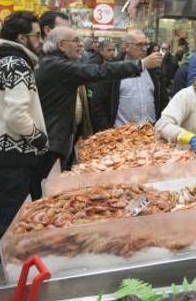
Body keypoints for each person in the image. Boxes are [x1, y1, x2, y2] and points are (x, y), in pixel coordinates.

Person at [34, 27, 164, 196]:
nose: (81, 45)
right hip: (53, 142)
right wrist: (142, 64)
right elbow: (98, 72)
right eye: (76, 41)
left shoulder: (54, 63)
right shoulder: (57, 66)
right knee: (46, 193)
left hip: (57, 140)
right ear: (62, 45)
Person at [0, 12, 47, 256]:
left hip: (1, 155)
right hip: (13, 156)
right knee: (8, 223)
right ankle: (3, 282)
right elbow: (16, 115)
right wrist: (39, 138)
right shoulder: (17, 64)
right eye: (36, 35)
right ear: (21, 38)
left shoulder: (0, 61)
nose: (40, 40)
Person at [90, 30, 168, 132]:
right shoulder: (113, 70)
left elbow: (163, 100)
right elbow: (98, 104)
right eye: (139, 44)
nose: (144, 48)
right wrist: (106, 132)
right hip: (121, 135)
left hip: (151, 133)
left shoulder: (154, 70)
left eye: (146, 44)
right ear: (126, 46)